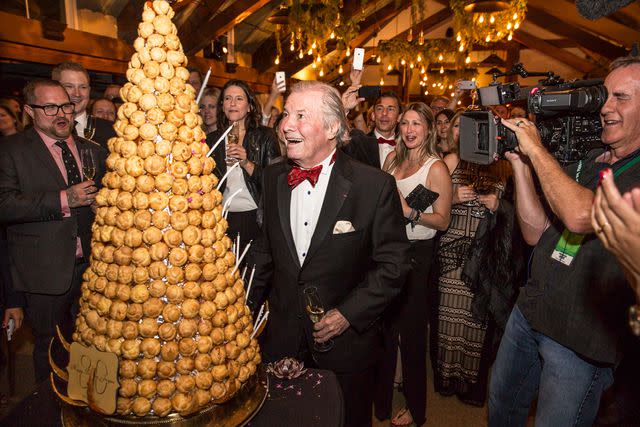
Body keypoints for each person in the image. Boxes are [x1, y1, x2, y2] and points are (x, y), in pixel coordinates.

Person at [488, 55, 640, 426]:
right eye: (604, 97)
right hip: (530, 312)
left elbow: (579, 215)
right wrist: (522, 165)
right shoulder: (589, 159)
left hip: (579, 341)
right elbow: (536, 231)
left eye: (621, 98)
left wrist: (537, 150)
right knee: (500, 412)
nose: (605, 108)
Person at [249, 80, 410, 427]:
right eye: (287, 114)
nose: (287, 124)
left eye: (301, 116)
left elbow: (395, 265)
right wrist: (242, 310)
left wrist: (348, 314)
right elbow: (265, 253)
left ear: (333, 127)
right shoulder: (274, 176)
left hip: (346, 347)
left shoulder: (373, 186)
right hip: (282, 340)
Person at [0, 79, 107, 382]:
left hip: (94, 267)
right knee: (51, 348)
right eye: (49, 107)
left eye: (66, 106)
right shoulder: (11, 150)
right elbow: (4, 204)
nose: (60, 113)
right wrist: (64, 199)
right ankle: (52, 410)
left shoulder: (91, 150)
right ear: (29, 111)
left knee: (94, 342)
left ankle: (87, 403)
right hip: (44, 271)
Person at [433, 109, 520, 406]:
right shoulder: (450, 161)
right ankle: (447, 380)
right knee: (449, 318)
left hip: (485, 258)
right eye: (460, 128)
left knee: (476, 321)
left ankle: (470, 386)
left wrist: (499, 205)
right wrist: (453, 197)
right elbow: (427, 203)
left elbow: (525, 218)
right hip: (451, 252)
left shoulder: (504, 167)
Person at [375, 102, 452, 427]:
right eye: (405, 123)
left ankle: (417, 410)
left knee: (412, 334)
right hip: (389, 252)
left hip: (418, 256)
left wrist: (410, 212)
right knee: (385, 330)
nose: (408, 129)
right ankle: (381, 399)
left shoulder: (435, 168)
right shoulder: (393, 159)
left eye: (416, 124)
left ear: (428, 128)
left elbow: (443, 221)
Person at [206, 79, 280, 243]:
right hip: (220, 218)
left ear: (250, 106)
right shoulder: (212, 140)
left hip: (255, 217)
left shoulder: (265, 136)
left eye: (239, 98)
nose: (232, 103)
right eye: (227, 98)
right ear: (223, 106)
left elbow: (275, 181)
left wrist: (246, 163)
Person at [51, 61, 116, 149]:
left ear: (89, 90)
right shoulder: (43, 130)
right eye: (69, 86)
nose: (77, 94)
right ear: (54, 90)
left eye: (83, 87)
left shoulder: (112, 131)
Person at [342, 88, 402, 169]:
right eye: (379, 108)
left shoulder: (406, 147)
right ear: (373, 116)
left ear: (399, 117)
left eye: (390, 109)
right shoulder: (359, 142)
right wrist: (344, 109)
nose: (384, 113)